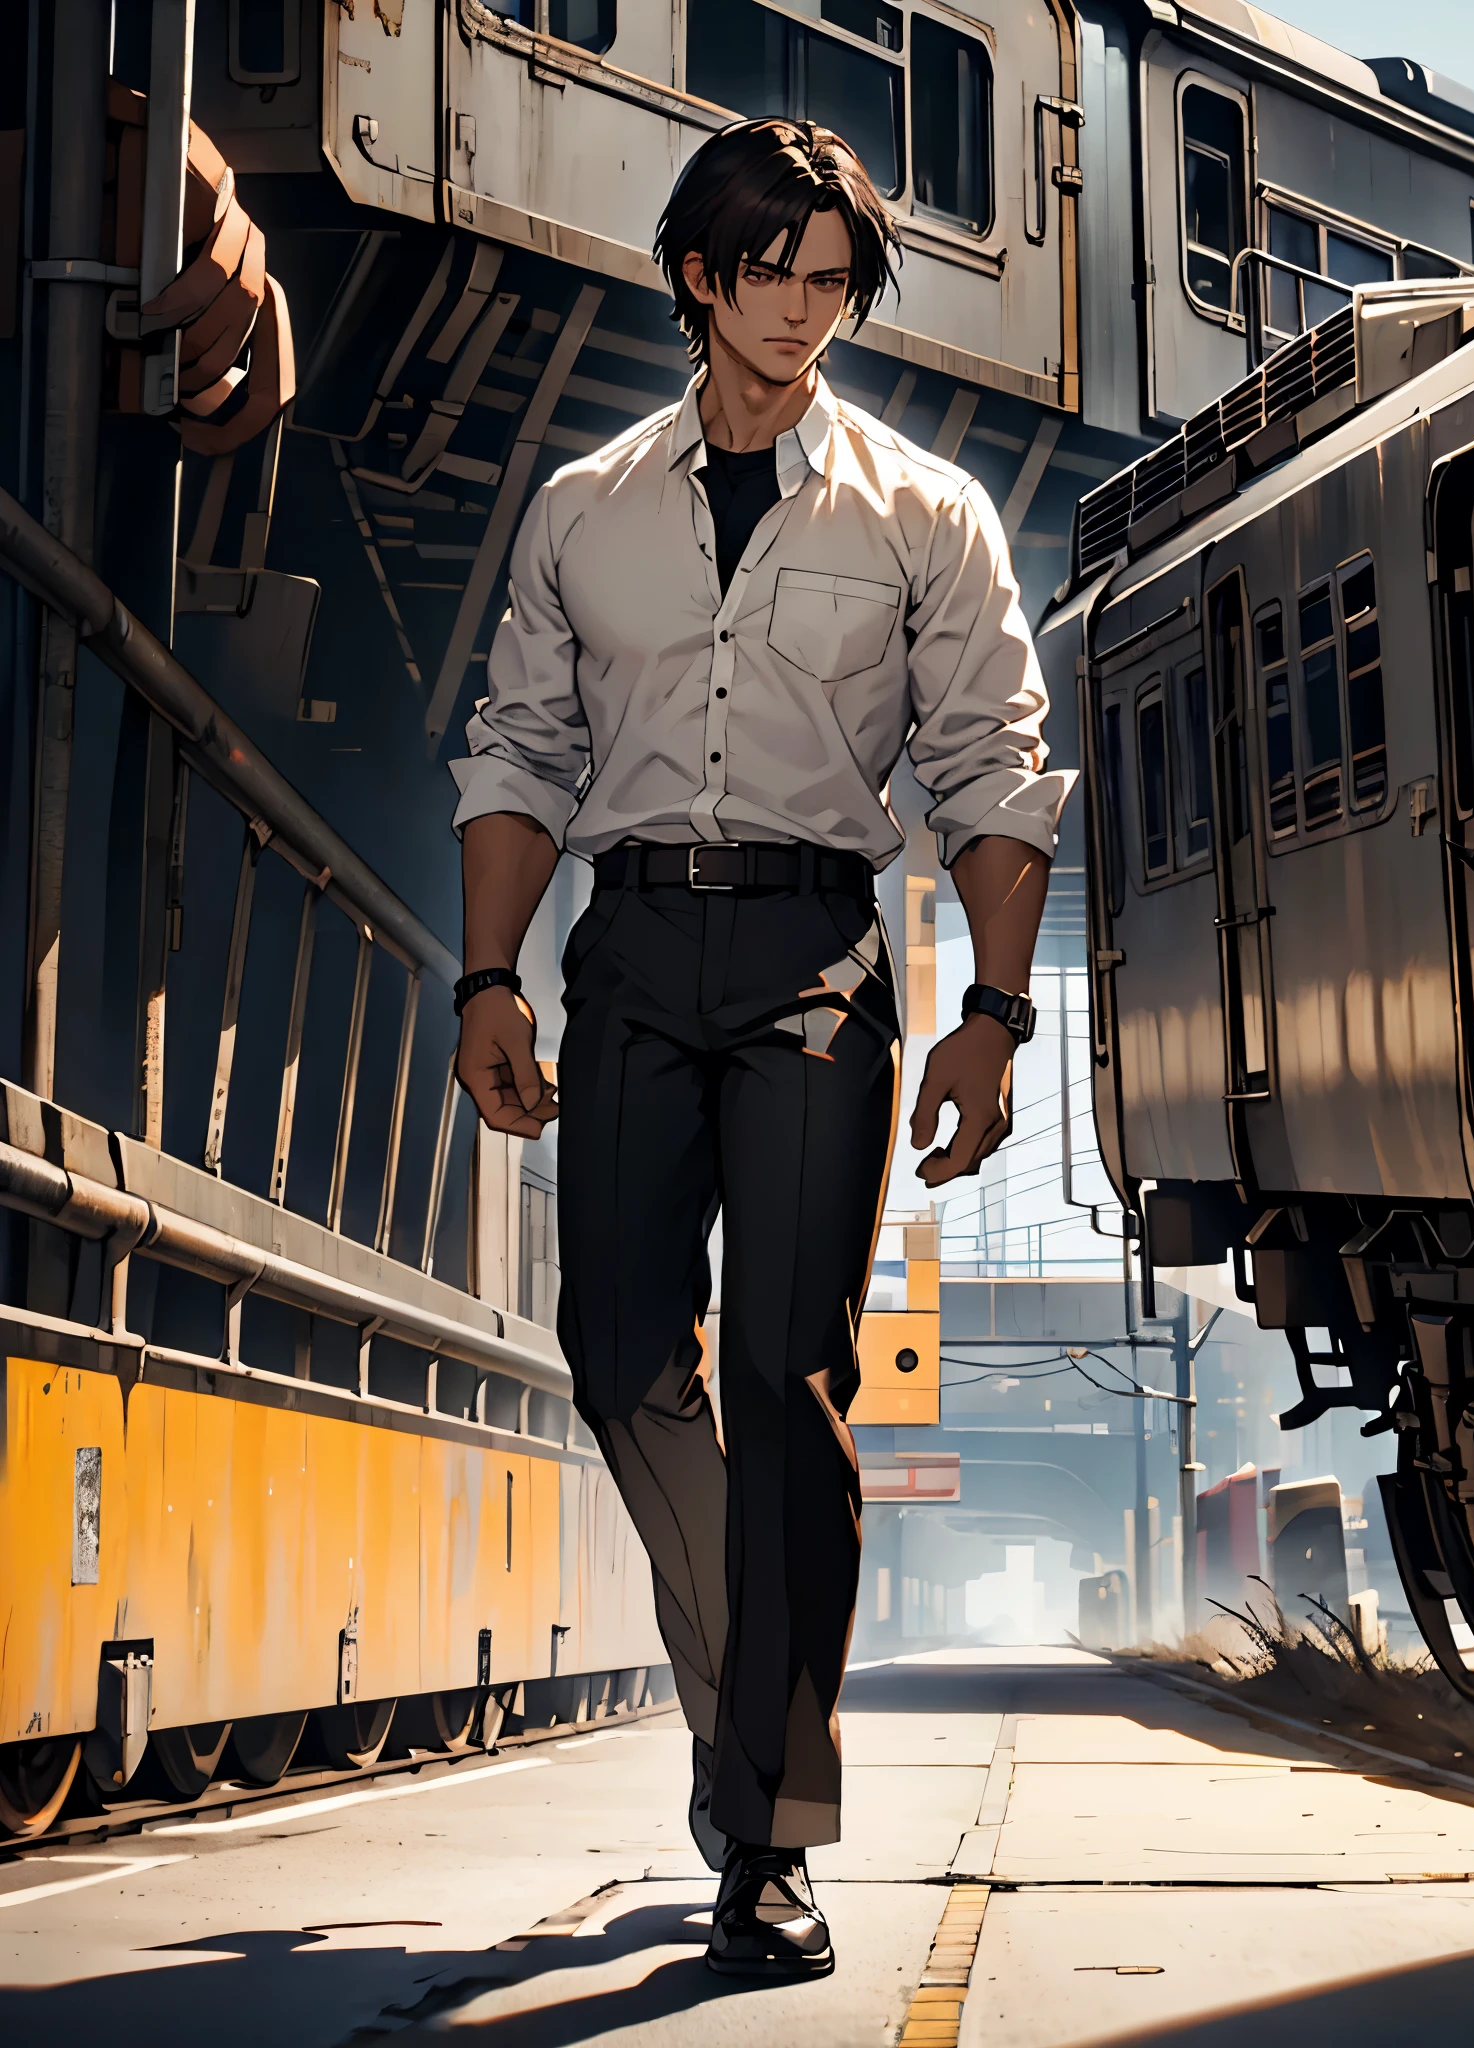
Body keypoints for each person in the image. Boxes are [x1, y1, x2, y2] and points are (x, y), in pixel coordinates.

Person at [446, 117, 1065, 1979]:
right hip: (630, 948)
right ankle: (754, 1718)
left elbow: (990, 771)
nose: (806, 312)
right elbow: (521, 754)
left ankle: (770, 1834)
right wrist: (492, 976)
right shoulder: (584, 509)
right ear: (699, 281)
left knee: (790, 1377)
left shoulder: (924, 512)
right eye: (773, 274)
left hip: (817, 959)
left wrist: (995, 1017)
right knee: (619, 1346)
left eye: (833, 282)